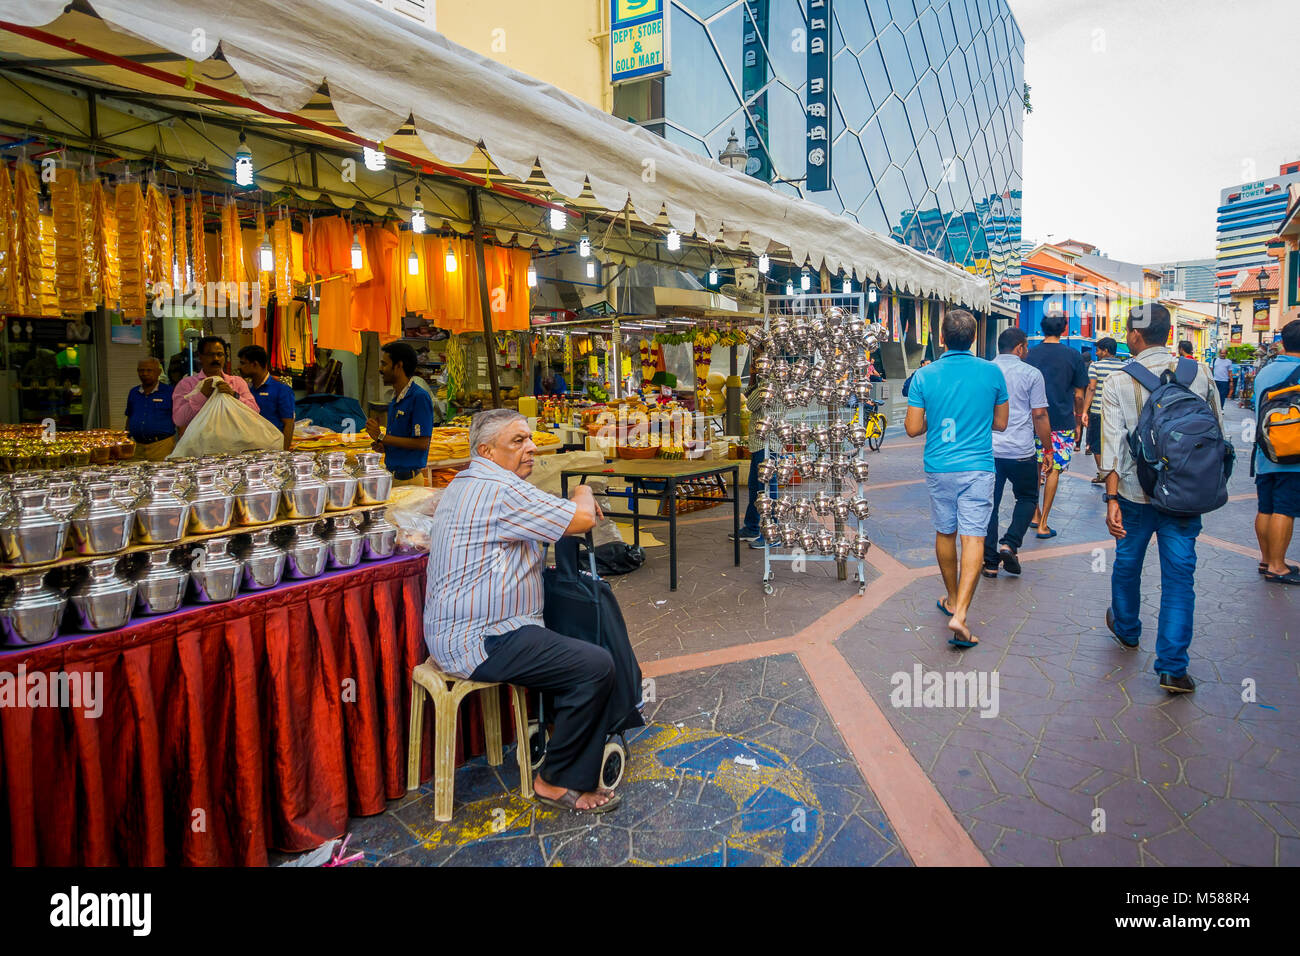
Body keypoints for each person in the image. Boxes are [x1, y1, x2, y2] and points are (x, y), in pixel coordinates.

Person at [424, 409, 617, 812]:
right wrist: (583, 489)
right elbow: (581, 519)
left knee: (569, 632)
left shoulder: (471, 481)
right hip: (481, 638)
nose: (531, 448)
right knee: (595, 665)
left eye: (529, 439)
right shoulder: (498, 489)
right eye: (518, 442)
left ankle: (560, 733)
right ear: (486, 450)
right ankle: (554, 780)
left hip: (470, 630)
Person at [1100, 303, 1224, 694]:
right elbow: (1217, 434)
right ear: (1169, 334)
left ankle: (1127, 628)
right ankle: (1172, 667)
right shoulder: (1199, 373)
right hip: (1185, 495)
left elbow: (1112, 446)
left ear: (1136, 336)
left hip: (1137, 494)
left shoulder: (1120, 381)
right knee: (1179, 578)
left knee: (1127, 562)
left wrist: (1111, 498)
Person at [904, 309, 1009, 648]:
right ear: (975, 338)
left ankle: (951, 597)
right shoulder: (992, 373)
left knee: (945, 532)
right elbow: (1002, 423)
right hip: (978, 466)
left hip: (939, 465)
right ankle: (960, 613)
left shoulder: (924, 376)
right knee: (974, 538)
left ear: (942, 338)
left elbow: (912, 428)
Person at [983, 327, 1051, 578]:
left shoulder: (986, 370)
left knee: (990, 504)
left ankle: (990, 564)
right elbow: (1040, 414)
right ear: (1020, 347)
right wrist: (1048, 448)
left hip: (989, 448)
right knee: (1028, 497)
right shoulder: (1032, 373)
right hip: (1021, 450)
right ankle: (1010, 543)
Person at [1025, 314, 1088, 539]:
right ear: (1064, 329)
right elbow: (1079, 394)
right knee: (1054, 469)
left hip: (1032, 421)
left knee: (1034, 466)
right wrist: (1079, 417)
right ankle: (1043, 523)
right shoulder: (1073, 356)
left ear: (1041, 328)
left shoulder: (1029, 354)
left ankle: (1034, 513)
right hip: (1061, 421)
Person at [1254, 319, 1300, 584]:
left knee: (1266, 507)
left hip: (1265, 450)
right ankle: (1278, 566)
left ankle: (1265, 558)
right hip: (1293, 454)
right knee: (1285, 508)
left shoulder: (1265, 371)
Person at [366, 341, 433, 486]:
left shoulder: (418, 397)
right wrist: (383, 445)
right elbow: (402, 440)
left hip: (408, 481)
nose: (380, 369)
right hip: (394, 477)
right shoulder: (396, 400)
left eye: (384, 364)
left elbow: (422, 443)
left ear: (398, 366)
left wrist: (381, 436)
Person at [172, 336, 260, 434]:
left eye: (220, 354)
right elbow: (179, 420)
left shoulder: (237, 382)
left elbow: (255, 412)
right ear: (200, 357)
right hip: (200, 446)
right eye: (210, 354)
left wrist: (234, 395)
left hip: (233, 444)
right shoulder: (186, 384)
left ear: (225, 357)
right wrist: (201, 396)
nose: (216, 359)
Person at [733, 347, 776, 548]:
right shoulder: (761, 380)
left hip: (769, 442)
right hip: (759, 442)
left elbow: (750, 403)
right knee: (754, 487)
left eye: (759, 357)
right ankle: (751, 527)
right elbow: (748, 394)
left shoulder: (771, 381)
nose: (756, 361)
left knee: (766, 489)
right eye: (755, 357)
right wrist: (752, 377)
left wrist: (756, 378)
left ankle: (772, 532)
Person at [1082, 337, 1126, 483]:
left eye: (1099, 349)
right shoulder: (1124, 367)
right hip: (1119, 412)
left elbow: (1091, 388)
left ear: (1106, 351)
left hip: (1098, 411)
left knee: (1096, 445)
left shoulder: (1096, 366)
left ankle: (1103, 473)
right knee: (1117, 444)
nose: (1097, 352)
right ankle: (1115, 473)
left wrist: (1084, 410)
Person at [238, 345, 295, 451]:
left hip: (273, 449)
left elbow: (289, 423)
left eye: (242, 363)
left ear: (255, 364)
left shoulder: (281, 389)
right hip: (249, 448)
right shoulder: (245, 390)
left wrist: (284, 452)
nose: (239, 367)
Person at [125, 356, 176, 460]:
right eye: (141, 370)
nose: (145, 374)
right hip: (137, 447)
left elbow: (180, 420)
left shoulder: (170, 392)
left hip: (162, 446)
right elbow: (130, 417)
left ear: (158, 372)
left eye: (149, 370)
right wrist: (126, 440)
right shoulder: (134, 392)